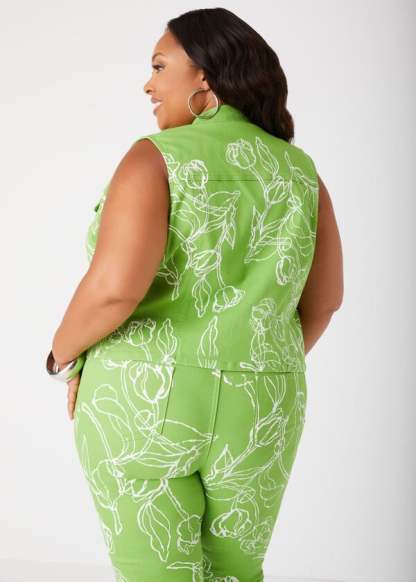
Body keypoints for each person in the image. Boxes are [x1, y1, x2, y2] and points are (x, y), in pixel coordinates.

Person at [47, 7, 343, 581]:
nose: (148, 84)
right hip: (264, 400)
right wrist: (252, 364)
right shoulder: (301, 172)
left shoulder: (155, 158)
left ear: (205, 75)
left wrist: (60, 358)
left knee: (155, 573)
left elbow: (113, 291)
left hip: (143, 396)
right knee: (236, 572)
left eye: (160, 67)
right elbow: (325, 300)